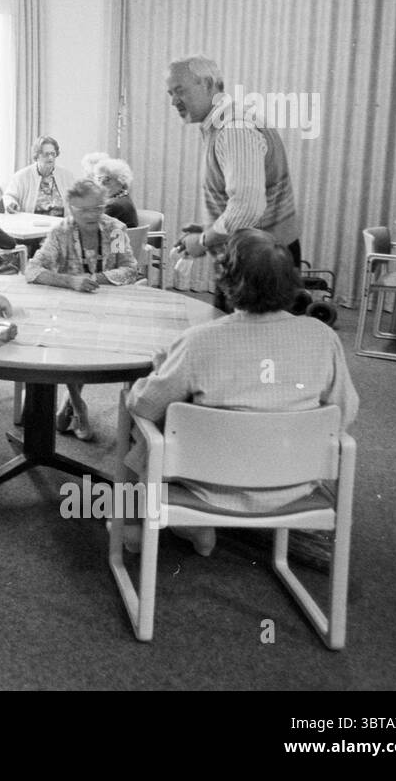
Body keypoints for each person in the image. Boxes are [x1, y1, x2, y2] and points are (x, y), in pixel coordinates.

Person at [120, 229, 359, 556]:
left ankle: (137, 529)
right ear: (292, 281)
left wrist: (160, 369)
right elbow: (345, 411)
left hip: (206, 485)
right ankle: (192, 526)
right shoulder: (323, 337)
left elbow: (145, 405)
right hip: (293, 483)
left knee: (139, 420)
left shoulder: (199, 341)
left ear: (225, 280)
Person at [165, 55, 301, 312]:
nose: (173, 101)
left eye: (179, 91)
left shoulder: (234, 129)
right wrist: (212, 226)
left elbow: (247, 208)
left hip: (259, 266)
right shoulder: (228, 122)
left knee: (243, 346)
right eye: (170, 93)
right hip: (259, 257)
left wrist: (204, 239)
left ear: (207, 84)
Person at [25, 178, 138, 442]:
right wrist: (70, 281)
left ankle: (69, 404)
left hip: (108, 306)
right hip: (67, 309)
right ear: (71, 208)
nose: (92, 215)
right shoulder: (60, 232)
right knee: (67, 342)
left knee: (87, 346)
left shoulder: (116, 230)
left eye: (98, 208)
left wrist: (95, 279)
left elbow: (130, 268)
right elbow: (32, 270)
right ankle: (79, 406)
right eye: (83, 210)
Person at [4, 136, 77, 216]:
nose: (50, 157)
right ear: (37, 156)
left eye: (53, 154)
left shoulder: (67, 176)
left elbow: (77, 198)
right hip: (31, 224)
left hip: (61, 224)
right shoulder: (22, 176)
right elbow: (9, 196)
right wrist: (11, 203)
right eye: (46, 154)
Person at [93, 157, 140, 228]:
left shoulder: (115, 205)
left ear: (121, 180)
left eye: (107, 179)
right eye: (99, 178)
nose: (101, 183)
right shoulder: (123, 197)